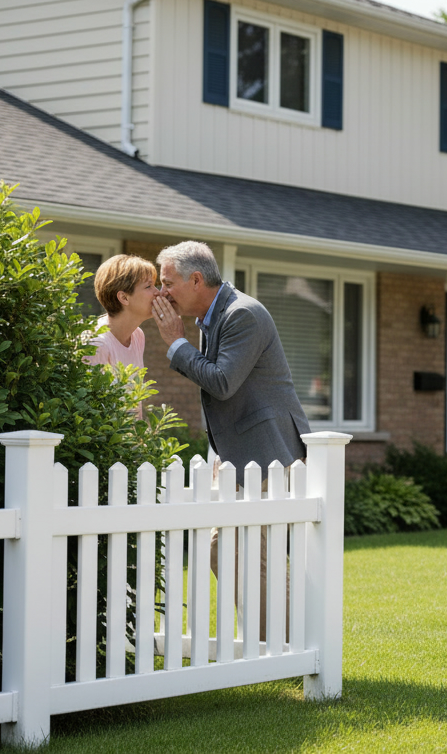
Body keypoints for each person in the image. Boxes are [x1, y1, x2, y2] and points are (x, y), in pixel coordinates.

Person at [151, 240, 310, 640]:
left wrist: (175, 343)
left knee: (255, 554)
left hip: (267, 452)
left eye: (167, 282)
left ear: (196, 279)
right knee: (221, 549)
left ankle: (284, 642)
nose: (162, 291)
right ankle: (275, 638)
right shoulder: (213, 315)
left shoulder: (243, 314)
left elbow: (221, 382)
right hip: (236, 456)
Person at [85, 254, 159, 418]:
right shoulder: (96, 344)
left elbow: (134, 407)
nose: (157, 293)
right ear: (124, 297)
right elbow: (90, 414)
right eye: (149, 287)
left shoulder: (137, 336)